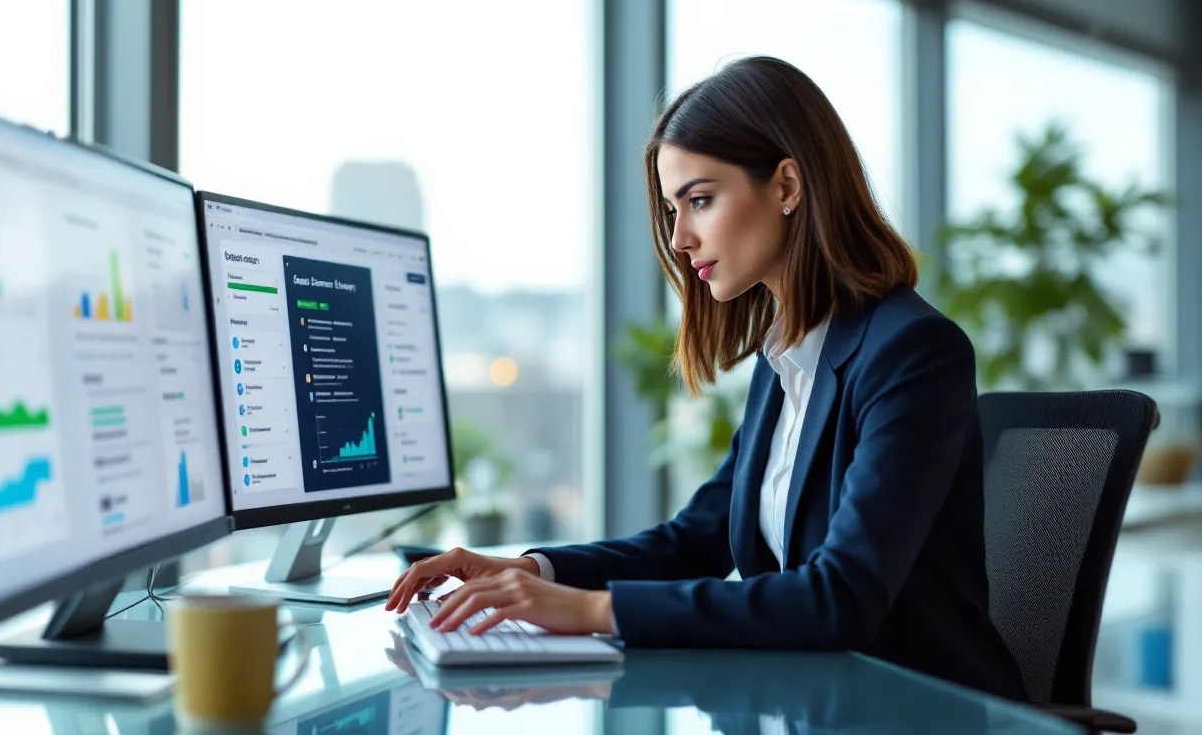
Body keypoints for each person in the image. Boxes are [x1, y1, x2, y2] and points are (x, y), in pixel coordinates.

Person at [386, 56, 1026, 701]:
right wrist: (530, 570)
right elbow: (698, 541)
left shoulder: (912, 351)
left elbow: (841, 598)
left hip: (918, 710)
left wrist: (584, 613)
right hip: (811, 701)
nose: (680, 238)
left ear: (786, 187)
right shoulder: (787, 357)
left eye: (699, 200)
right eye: (672, 209)